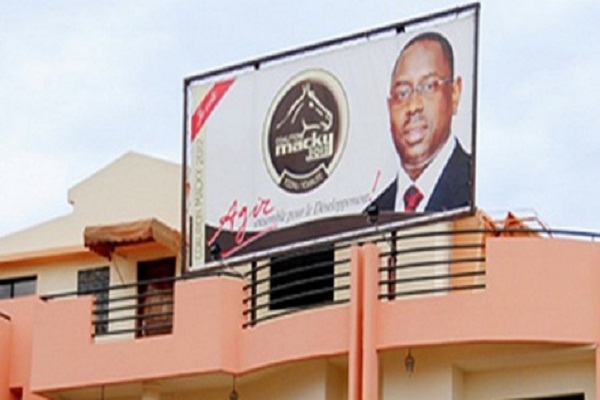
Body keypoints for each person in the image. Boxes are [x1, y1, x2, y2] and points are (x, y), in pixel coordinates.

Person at [371, 31, 472, 213]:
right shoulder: (371, 216)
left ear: (455, 93)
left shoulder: (474, 181)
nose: (413, 106)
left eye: (428, 87)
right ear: (389, 107)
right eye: (402, 93)